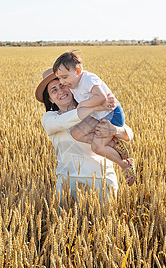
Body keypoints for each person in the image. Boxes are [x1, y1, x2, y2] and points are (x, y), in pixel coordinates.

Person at [35, 68, 134, 203]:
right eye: (54, 90)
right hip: (68, 181)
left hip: (103, 179)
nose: (61, 92)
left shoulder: (90, 105)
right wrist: (93, 107)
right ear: (50, 99)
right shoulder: (50, 118)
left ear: (70, 86)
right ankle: (114, 147)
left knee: (104, 222)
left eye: (63, 86)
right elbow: (67, 120)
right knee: (65, 222)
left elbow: (128, 132)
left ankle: (118, 155)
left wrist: (114, 130)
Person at [52, 51, 135, 184]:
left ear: (78, 71)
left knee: (97, 147)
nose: (62, 82)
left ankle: (124, 164)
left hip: (111, 114)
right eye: (59, 79)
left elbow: (101, 97)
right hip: (99, 115)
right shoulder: (72, 85)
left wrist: (84, 105)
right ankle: (113, 144)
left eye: (64, 77)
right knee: (77, 133)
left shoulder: (87, 79)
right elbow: (78, 107)